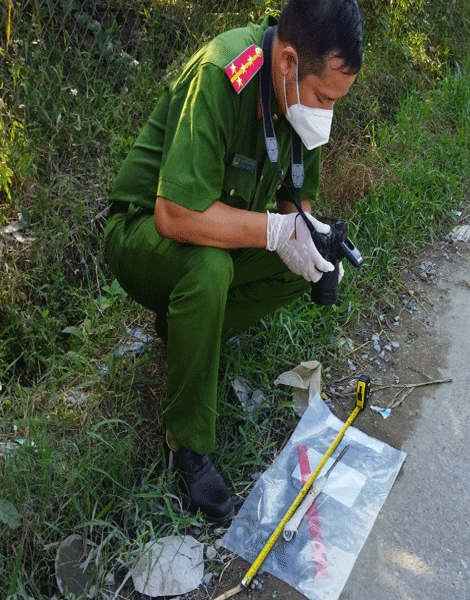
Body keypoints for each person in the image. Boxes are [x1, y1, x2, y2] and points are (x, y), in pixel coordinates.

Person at [103, 0, 362, 523]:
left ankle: (188, 327)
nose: (326, 112)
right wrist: (275, 230)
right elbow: (174, 215)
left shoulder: (299, 99)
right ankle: (188, 446)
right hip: (140, 236)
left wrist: (311, 240)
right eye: (322, 97)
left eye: (337, 101)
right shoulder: (222, 75)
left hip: (211, 234)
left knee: (301, 264)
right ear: (288, 62)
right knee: (210, 270)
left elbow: (296, 205)